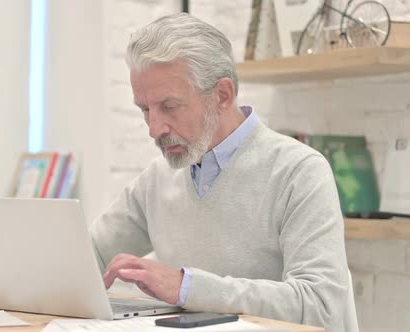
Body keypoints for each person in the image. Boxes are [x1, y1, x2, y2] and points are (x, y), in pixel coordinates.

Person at [90, 13, 348, 330]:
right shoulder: (157, 180)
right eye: (145, 109)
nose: (154, 129)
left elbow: (321, 306)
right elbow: (88, 257)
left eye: (169, 106)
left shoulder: (298, 172)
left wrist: (187, 287)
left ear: (222, 95)